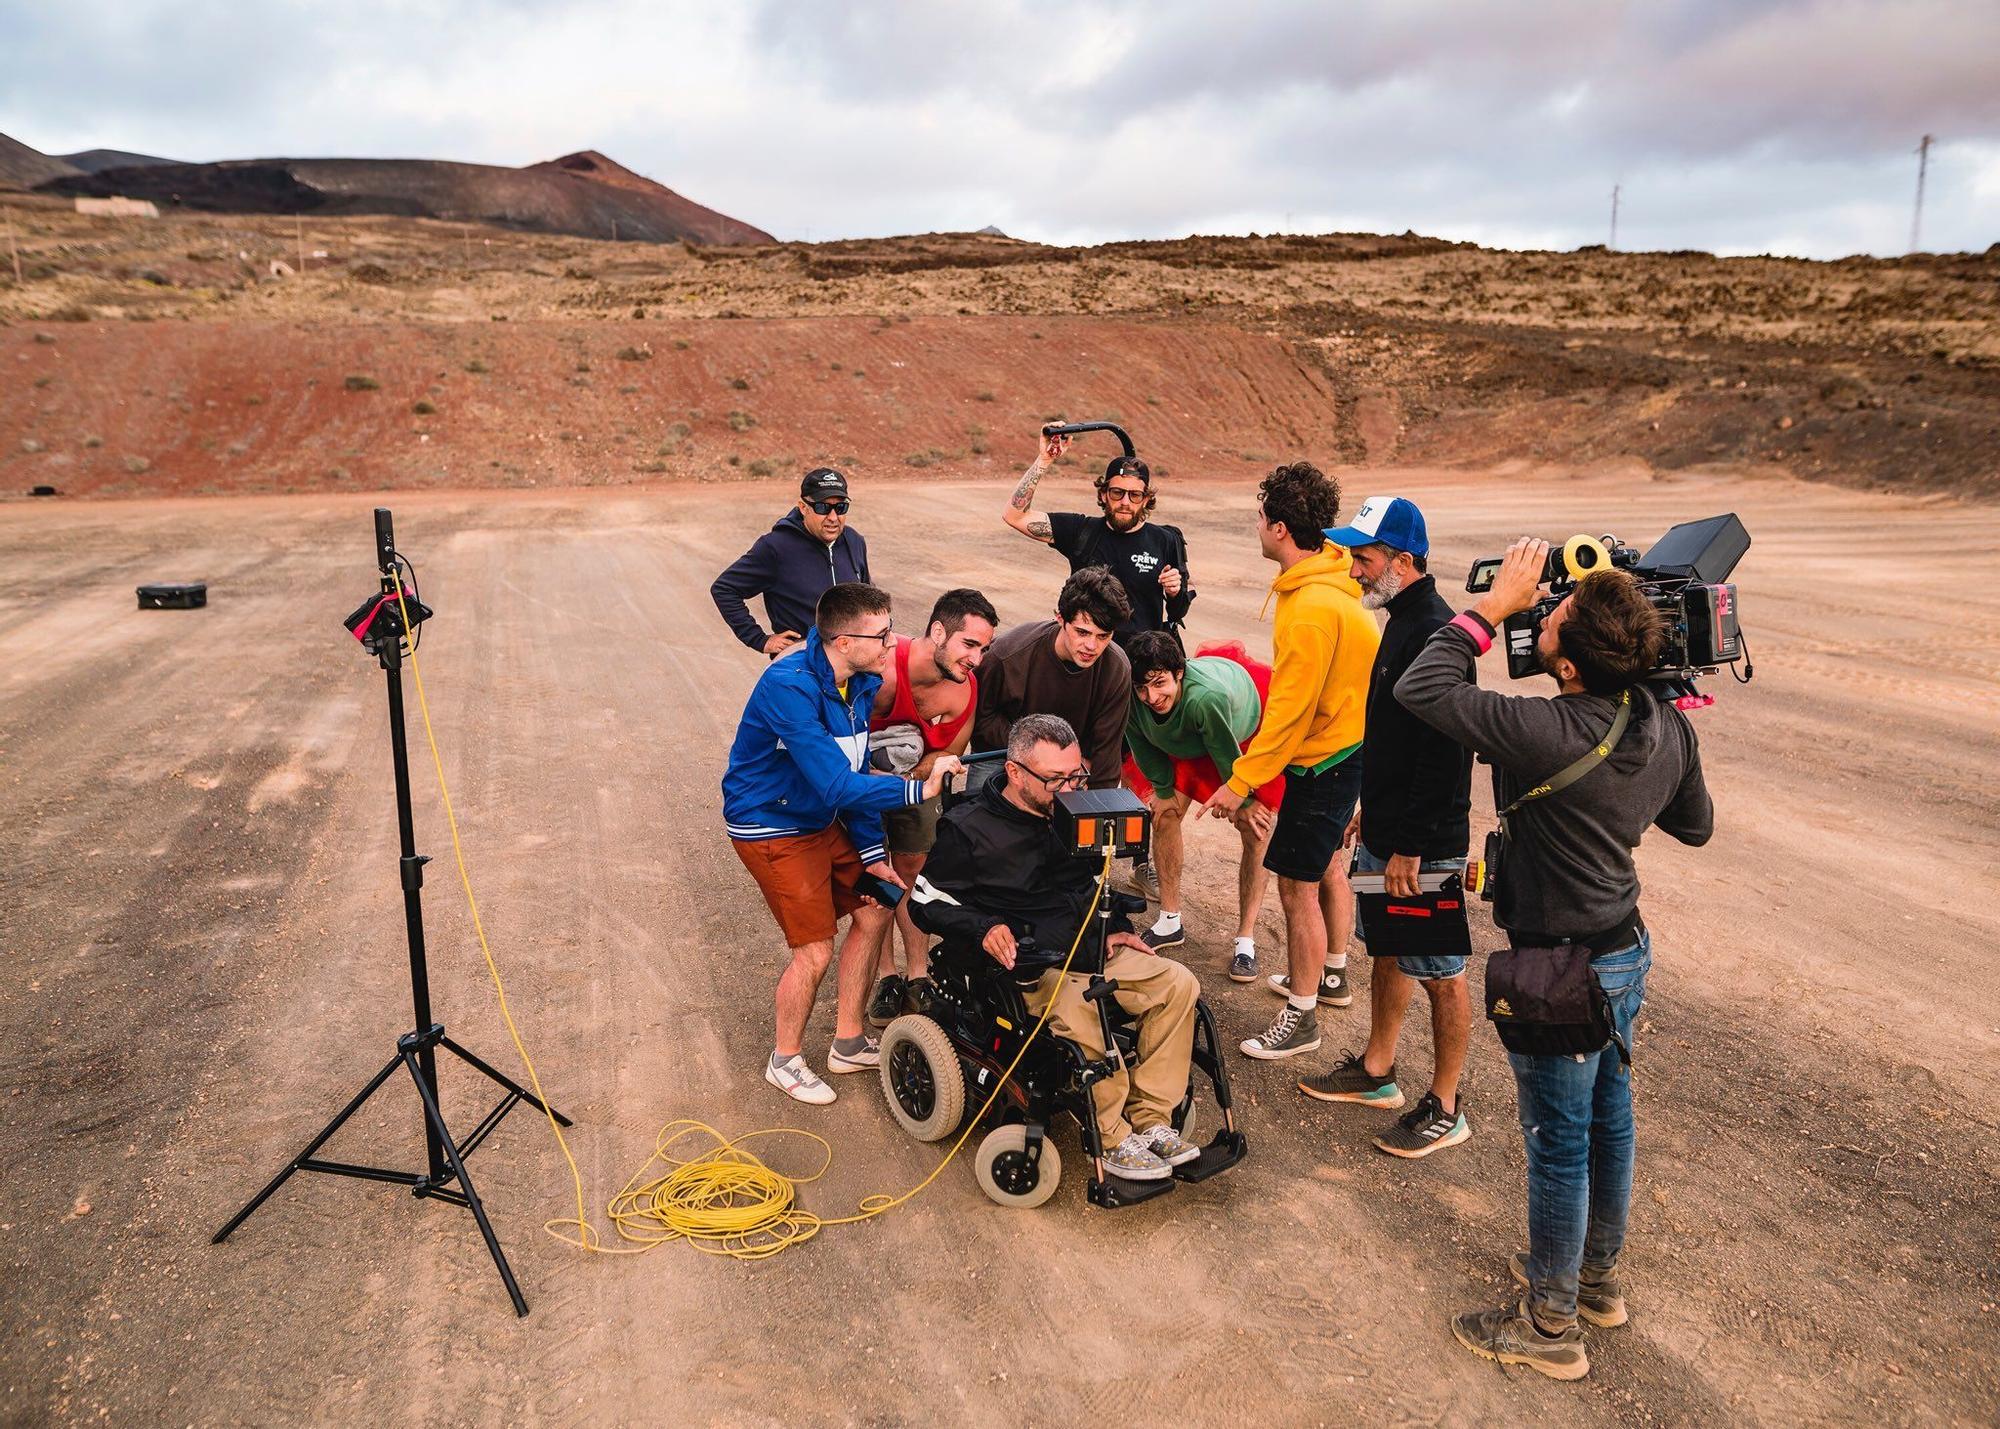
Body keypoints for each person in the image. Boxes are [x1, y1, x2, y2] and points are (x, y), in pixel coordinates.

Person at [1397, 538, 1712, 1381]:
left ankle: (1551, 1321)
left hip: (1560, 968)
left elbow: (1422, 686)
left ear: (1567, 666)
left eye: (1551, 621)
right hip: (1622, 951)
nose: (1538, 623)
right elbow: (1695, 825)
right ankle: (1597, 1280)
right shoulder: (1662, 720)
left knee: (1560, 1141)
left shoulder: (1543, 727)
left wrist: (1488, 608)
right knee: (1611, 1119)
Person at [909, 714, 1204, 1182]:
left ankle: (1150, 1121)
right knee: (1085, 1005)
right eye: (1055, 779)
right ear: (1015, 772)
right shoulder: (969, 828)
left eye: (1075, 775)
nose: (1068, 788)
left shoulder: (1072, 814)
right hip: (1028, 966)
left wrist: (1115, 928)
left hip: (1088, 947)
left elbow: (1090, 885)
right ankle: (1110, 1136)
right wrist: (983, 926)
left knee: (1178, 984)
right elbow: (925, 900)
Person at [722, 581, 963, 1105]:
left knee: (877, 907)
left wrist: (874, 856)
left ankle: (848, 1043)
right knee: (813, 950)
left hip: (820, 817)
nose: (891, 643)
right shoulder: (788, 685)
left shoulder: (857, 681)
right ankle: (783, 1060)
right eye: (881, 634)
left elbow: (850, 775)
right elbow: (836, 783)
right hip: (773, 828)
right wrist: (918, 787)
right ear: (843, 641)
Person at [1296, 497, 1477, 1161]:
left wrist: (1410, 844)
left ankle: (1448, 1104)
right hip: (1390, 826)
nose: (1354, 570)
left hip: (1422, 841)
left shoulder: (1440, 631)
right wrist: (1373, 806)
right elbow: (1397, 734)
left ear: (1404, 559)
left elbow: (1446, 752)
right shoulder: (1401, 619)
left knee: (1442, 970)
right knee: (1392, 949)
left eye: (1365, 558)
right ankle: (1377, 1071)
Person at [1205, 463, 1379, 1061]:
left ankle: (1302, 1016)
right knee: (1328, 867)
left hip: (1324, 761)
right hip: (1346, 749)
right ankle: (1330, 975)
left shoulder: (1308, 609)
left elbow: (1289, 712)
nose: (1257, 527)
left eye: (1260, 518)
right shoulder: (1331, 582)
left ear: (1279, 528)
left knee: (1295, 885)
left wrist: (1242, 780)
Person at [862, 588, 1000, 1027]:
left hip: (919, 790)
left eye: (984, 648)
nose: (977, 659)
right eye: (970, 645)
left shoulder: (965, 690)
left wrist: (915, 774)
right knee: (874, 880)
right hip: (863, 786)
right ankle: (886, 977)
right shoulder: (883, 666)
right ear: (938, 632)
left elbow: (944, 762)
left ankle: (918, 975)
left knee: (914, 874)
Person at [1122, 632, 1281, 982]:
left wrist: (1245, 799)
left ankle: (1245, 940)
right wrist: (1162, 791)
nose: (1152, 697)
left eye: (1160, 683)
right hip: (1189, 737)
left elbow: (1226, 755)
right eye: (1142, 688)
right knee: (1163, 814)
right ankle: (1169, 920)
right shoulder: (1136, 698)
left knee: (1255, 827)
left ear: (1179, 673)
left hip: (1238, 735)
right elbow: (1142, 745)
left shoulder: (1204, 699)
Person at [1000, 428, 1193, 648]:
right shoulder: (1080, 531)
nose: (1125, 502)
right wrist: (1044, 459)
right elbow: (1014, 516)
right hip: (1089, 658)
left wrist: (1175, 591)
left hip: (1140, 665)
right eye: (1117, 493)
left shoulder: (1166, 540)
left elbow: (1178, 611)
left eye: (1135, 495)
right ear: (1103, 494)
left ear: (1146, 499)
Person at [973, 567, 1132, 791]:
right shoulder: (1007, 655)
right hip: (1002, 754)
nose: (1092, 646)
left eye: (1103, 636)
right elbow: (982, 720)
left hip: (1073, 767)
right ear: (1060, 618)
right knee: (975, 819)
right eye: (1083, 632)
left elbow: (1106, 750)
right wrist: (1040, 757)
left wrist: (1096, 810)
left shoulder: (1116, 669)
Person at [711, 468, 871, 658]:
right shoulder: (776, 547)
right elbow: (724, 589)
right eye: (823, 508)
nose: (833, 517)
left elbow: (867, 598)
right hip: (801, 667)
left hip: (851, 664)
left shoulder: (854, 541)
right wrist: (759, 639)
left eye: (841, 508)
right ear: (803, 507)